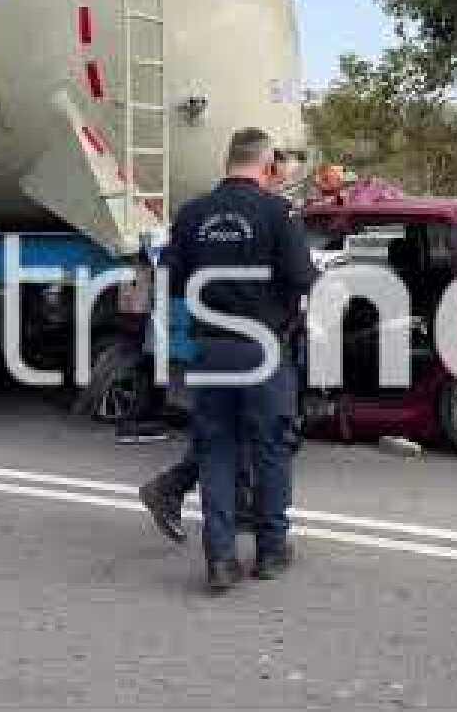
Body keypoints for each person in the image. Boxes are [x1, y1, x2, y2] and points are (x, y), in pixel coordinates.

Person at [166, 130, 317, 592]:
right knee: (270, 446)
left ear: (228, 161)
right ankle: (271, 552)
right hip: (262, 348)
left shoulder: (192, 214)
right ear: (269, 165)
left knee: (216, 448)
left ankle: (220, 559)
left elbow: (173, 283)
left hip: (211, 349)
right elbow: (302, 278)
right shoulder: (277, 212)